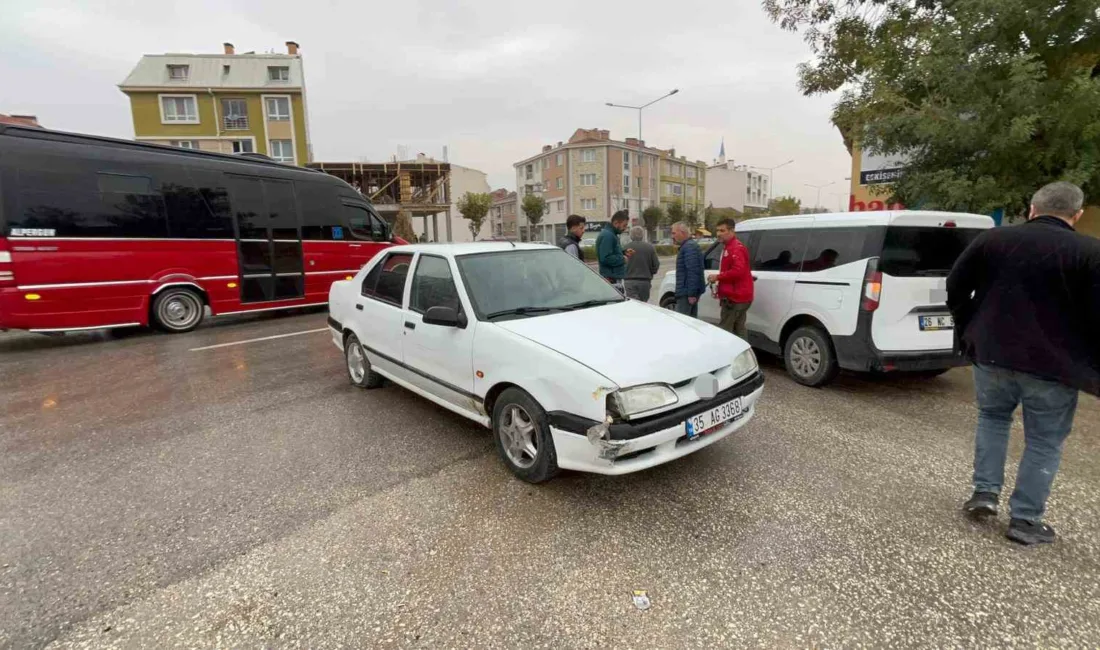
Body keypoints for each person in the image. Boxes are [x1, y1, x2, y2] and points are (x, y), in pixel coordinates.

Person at [948, 181, 1100, 546]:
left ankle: (984, 493)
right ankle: (1025, 519)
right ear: (1077, 214)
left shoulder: (993, 240)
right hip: (1054, 366)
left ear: (1032, 208)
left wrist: (970, 329)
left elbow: (955, 287)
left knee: (992, 420)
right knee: (1044, 441)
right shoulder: (1090, 252)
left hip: (992, 355)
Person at [707, 218, 754, 338]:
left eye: (722, 230)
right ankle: (744, 349)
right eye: (717, 230)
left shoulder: (736, 248)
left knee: (726, 332)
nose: (718, 234)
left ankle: (727, 350)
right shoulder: (729, 247)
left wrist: (718, 277)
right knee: (739, 328)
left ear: (732, 231)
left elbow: (738, 271)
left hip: (735, 297)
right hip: (737, 296)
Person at [671, 221, 705, 317]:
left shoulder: (689, 247)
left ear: (682, 232)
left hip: (686, 294)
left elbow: (693, 272)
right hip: (687, 292)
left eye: (674, 233)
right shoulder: (688, 246)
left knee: (682, 321)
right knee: (690, 321)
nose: (672, 236)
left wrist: (692, 294)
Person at [596, 210, 633, 291]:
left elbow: (611, 252)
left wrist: (624, 252)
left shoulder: (611, 234)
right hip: (611, 279)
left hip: (612, 277)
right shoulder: (608, 236)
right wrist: (622, 259)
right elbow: (605, 258)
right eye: (624, 225)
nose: (625, 228)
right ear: (616, 223)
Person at [623, 226, 659, 301]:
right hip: (645, 281)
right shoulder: (650, 247)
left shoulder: (625, 247)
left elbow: (621, 263)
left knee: (633, 304)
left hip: (629, 281)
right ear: (642, 235)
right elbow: (656, 265)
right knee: (643, 304)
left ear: (631, 236)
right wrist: (650, 272)